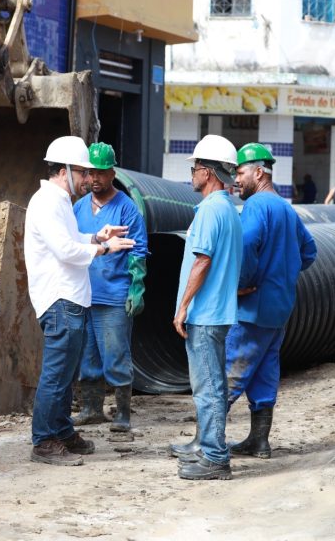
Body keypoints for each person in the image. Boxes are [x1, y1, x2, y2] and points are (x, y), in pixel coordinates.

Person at [24, 135, 135, 466]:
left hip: (70, 300)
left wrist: (96, 236)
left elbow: (71, 240)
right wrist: (103, 248)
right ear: (66, 170)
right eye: (83, 172)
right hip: (59, 300)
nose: (89, 179)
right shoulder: (47, 203)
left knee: (66, 374)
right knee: (56, 376)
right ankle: (44, 441)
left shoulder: (58, 202)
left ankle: (61, 430)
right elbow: (64, 250)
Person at [224, 143, 316, 459]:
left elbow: (247, 244)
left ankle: (206, 444)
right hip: (279, 309)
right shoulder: (286, 209)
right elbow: (309, 252)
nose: (237, 179)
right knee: (264, 372)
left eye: (240, 172)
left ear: (259, 172)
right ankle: (259, 441)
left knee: (231, 372)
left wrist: (241, 284)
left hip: (253, 308)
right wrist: (282, 271)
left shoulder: (256, 206)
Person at [168, 134, 242, 481]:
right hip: (215, 312)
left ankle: (214, 457)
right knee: (211, 386)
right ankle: (206, 446)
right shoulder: (226, 208)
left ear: (209, 172)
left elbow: (202, 262)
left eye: (196, 167)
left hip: (206, 314)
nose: (192, 173)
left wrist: (183, 307)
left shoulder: (212, 211)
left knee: (208, 388)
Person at [72, 142, 149, 432]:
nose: (95, 179)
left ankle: (123, 413)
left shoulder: (126, 209)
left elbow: (138, 251)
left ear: (112, 173)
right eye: (91, 173)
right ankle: (91, 408)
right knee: (87, 354)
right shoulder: (79, 207)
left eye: (101, 173)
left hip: (114, 295)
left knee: (115, 354)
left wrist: (136, 287)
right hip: (83, 294)